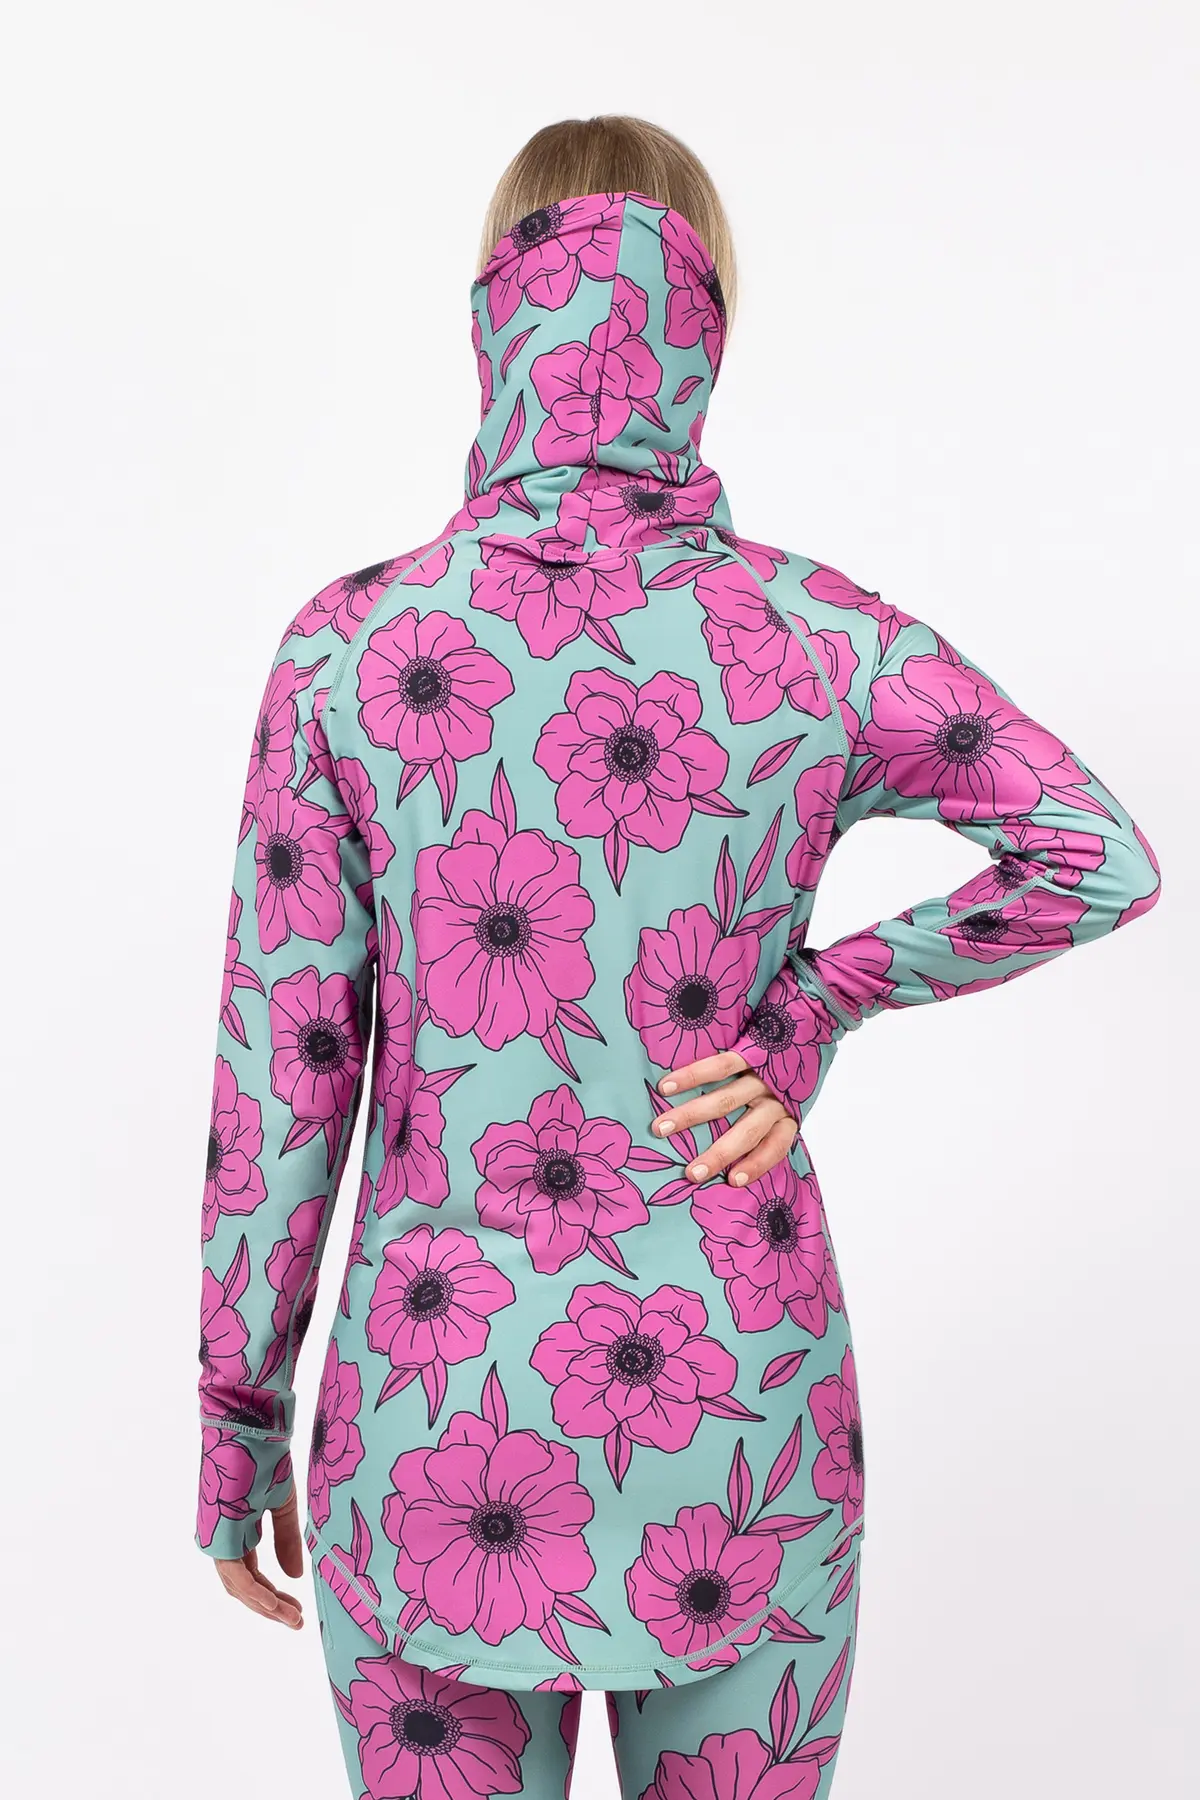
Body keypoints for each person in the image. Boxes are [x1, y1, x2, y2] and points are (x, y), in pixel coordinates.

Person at [194, 114, 1162, 1799]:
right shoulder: (821, 638)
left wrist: (235, 1426)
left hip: (433, 1416)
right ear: (708, 323)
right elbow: (1097, 852)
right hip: (738, 1423)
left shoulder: (349, 652)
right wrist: (816, 1007)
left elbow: (285, 1081)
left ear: (491, 314)